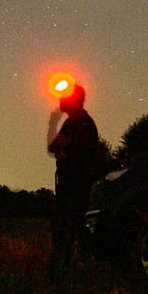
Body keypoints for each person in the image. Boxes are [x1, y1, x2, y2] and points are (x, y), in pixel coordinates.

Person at [46, 82, 102, 274]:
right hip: (85, 182)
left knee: (65, 226)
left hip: (72, 183)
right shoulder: (87, 121)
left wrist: (52, 123)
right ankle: (84, 263)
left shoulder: (74, 122)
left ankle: (64, 268)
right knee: (79, 224)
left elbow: (53, 146)